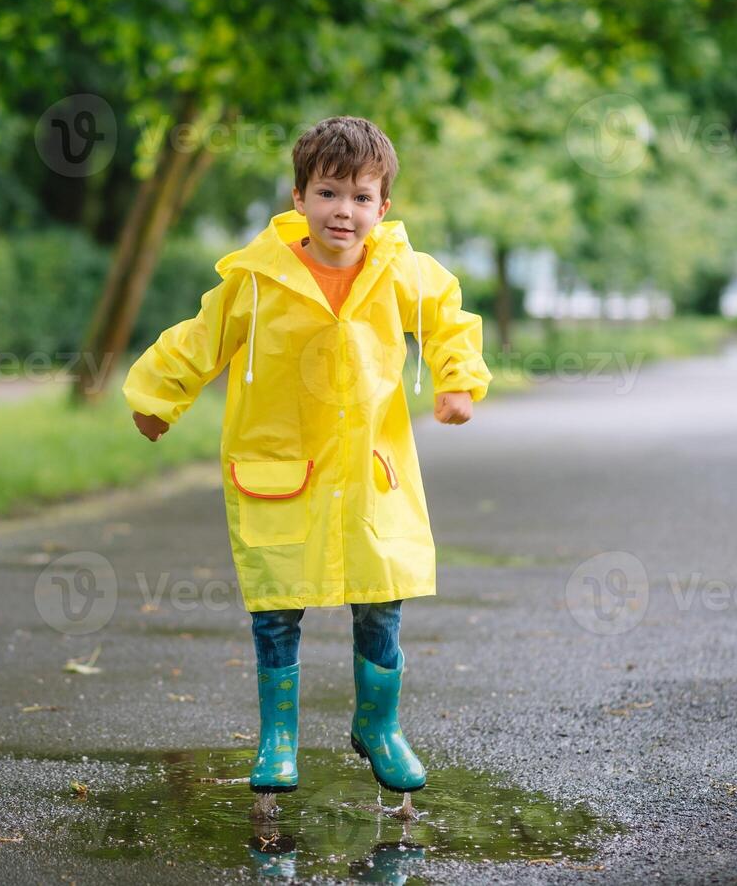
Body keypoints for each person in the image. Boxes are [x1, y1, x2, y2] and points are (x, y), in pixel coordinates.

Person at [122, 116, 492, 801]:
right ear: (298, 198)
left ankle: (378, 726)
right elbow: (200, 338)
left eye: (359, 197)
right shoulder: (258, 280)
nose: (342, 211)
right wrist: (158, 397)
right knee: (277, 603)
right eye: (327, 193)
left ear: (383, 208)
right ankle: (279, 737)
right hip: (280, 464)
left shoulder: (404, 275)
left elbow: (449, 320)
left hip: (368, 468)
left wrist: (456, 382)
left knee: (381, 598)